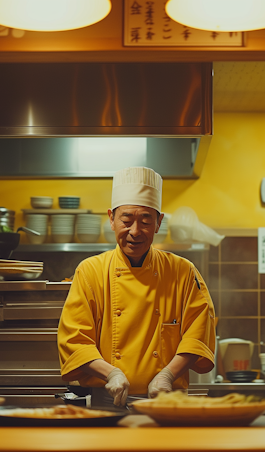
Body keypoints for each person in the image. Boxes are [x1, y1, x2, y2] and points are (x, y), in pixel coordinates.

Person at [57, 166, 216, 407]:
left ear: (158, 222)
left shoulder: (183, 272)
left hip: (168, 404)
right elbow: (74, 340)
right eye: (127, 220)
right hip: (107, 405)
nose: (135, 231)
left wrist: (167, 375)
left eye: (145, 220)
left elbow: (199, 333)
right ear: (111, 219)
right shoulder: (90, 272)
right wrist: (111, 373)